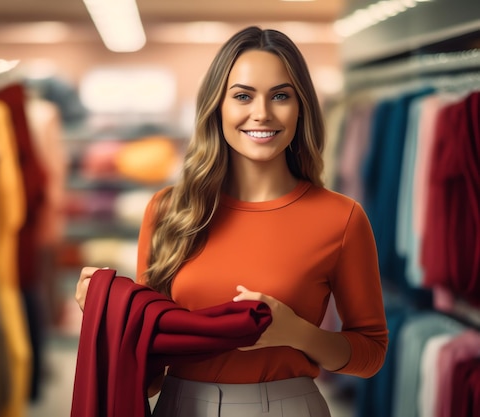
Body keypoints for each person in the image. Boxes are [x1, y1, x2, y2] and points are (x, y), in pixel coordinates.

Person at [76, 26, 388, 417]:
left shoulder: (341, 217)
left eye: (280, 96)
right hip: (180, 406)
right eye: (242, 96)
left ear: (301, 107)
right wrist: (109, 317)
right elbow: (150, 373)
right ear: (217, 106)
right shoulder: (168, 211)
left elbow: (371, 353)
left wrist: (296, 333)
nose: (262, 113)